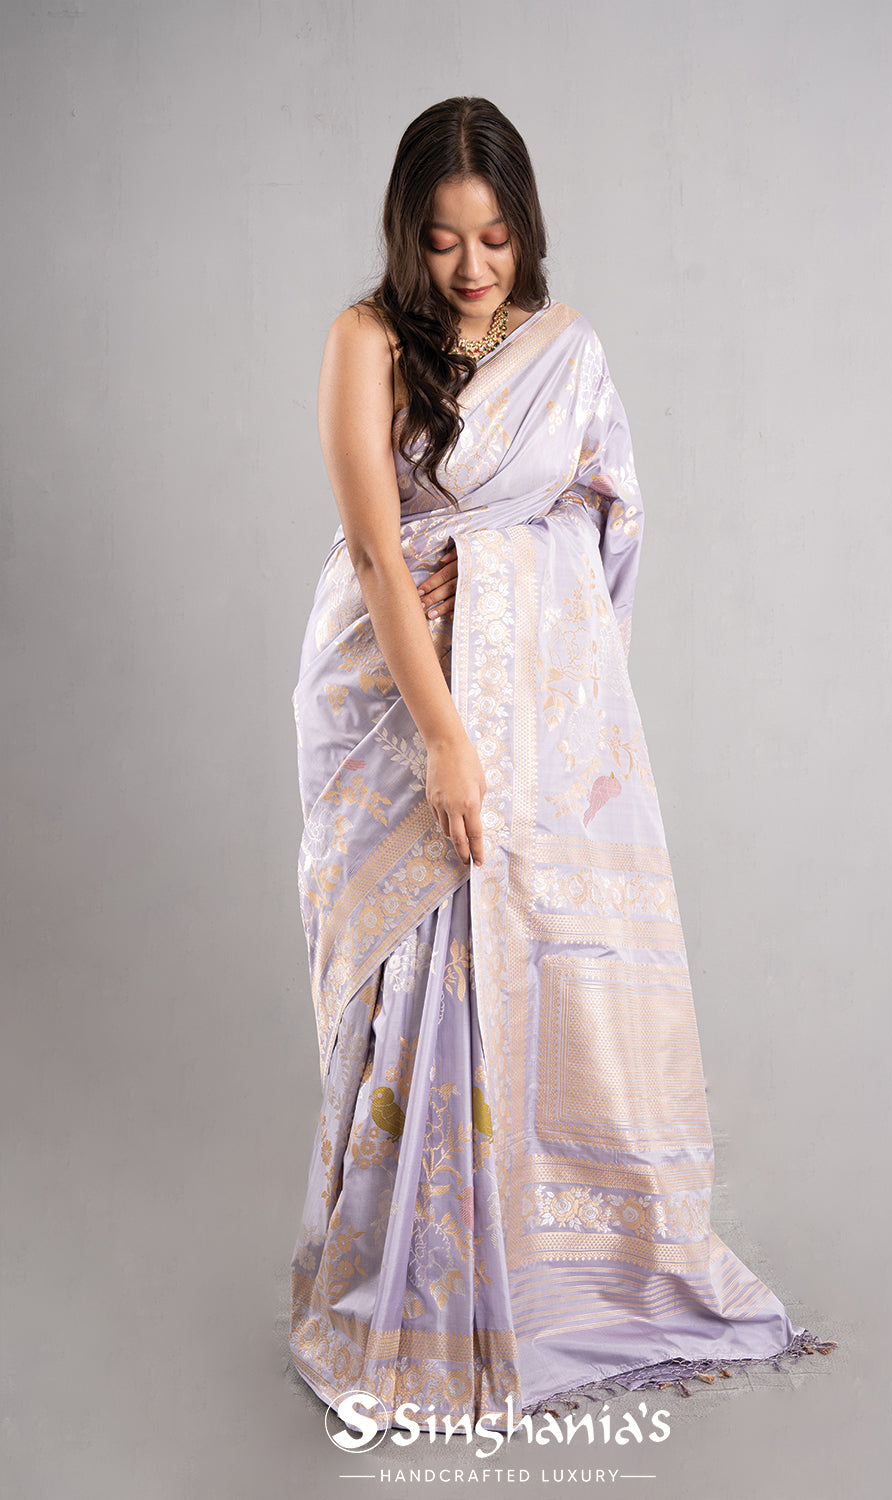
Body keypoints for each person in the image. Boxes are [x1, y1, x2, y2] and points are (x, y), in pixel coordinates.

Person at [287, 96, 835, 1429]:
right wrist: (447, 738)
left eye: (496, 238)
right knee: (417, 979)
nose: (473, 267)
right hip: (392, 701)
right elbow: (377, 553)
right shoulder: (366, 339)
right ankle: (414, 1301)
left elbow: (603, 528)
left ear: (527, 228)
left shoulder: (567, 350)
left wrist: (518, 636)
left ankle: (544, 1281)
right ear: (405, 237)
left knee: (526, 964)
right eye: (443, 241)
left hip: (536, 715)